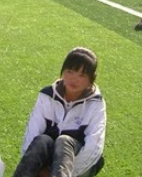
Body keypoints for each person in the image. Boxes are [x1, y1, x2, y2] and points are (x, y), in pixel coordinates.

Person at [13, 48, 105, 177]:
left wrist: (63, 172)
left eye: (81, 75)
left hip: (76, 165)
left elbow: (93, 147)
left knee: (64, 142)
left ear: (91, 79)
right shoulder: (47, 95)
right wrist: (38, 169)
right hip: (47, 159)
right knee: (42, 140)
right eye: (70, 72)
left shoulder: (96, 104)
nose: (74, 79)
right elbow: (31, 136)